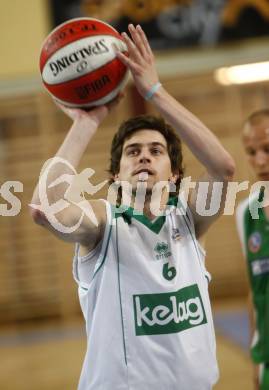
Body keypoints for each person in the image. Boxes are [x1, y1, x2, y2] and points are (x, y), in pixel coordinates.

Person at [31, 24, 235, 390]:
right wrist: (86, 120)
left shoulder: (189, 218)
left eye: (156, 152)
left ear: (174, 176)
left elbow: (223, 167)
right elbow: (46, 209)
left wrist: (155, 91)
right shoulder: (102, 224)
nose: (144, 157)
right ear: (116, 175)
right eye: (133, 152)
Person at [236, 109, 269, 390]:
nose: (260, 161)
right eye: (251, 151)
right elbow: (253, 291)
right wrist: (255, 359)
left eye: (268, 149)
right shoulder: (246, 213)